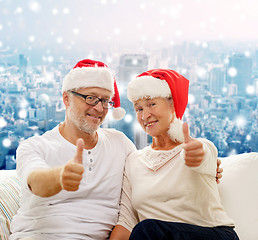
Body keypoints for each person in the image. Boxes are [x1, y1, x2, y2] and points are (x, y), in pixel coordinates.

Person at [10, 59, 137, 240]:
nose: (99, 108)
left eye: (105, 100)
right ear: (66, 98)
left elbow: (128, 213)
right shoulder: (34, 146)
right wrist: (59, 177)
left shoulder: (121, 144)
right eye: (91, 98)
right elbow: (35, 181)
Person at [110, 69, 239, 240]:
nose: (145, 115)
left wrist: (197, 155)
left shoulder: (198, 147)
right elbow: (127, 222)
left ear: (173, 104)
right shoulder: (134, 161)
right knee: (146, 230)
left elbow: (204, 156)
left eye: (152, 104)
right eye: (139, 109)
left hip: (213, 235)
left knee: (148, 229)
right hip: (154, 236)